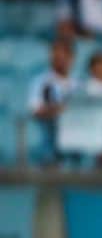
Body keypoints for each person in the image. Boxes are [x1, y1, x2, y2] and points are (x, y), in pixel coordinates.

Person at [27, 35, 75, 167]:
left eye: (63, 54)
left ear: (72, 57)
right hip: (49, 143)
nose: (59, 59)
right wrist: (58, 109)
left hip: (75, 143)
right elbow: (35, 110)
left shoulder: (78, 85)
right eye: (55, 54)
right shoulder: (41, 82)